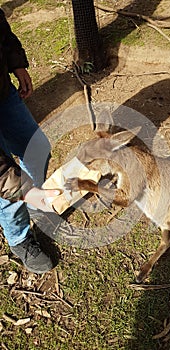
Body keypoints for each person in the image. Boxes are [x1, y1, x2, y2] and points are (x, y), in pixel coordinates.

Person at [0, 8, 61, 274]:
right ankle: (19, 237)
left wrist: (15, 63)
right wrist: (22, 189)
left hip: (2, 91)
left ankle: (31, 202)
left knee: (37, 146)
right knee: (7, 182)